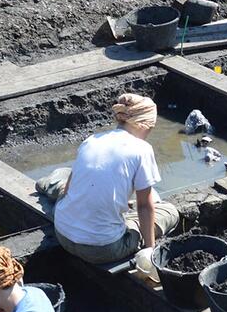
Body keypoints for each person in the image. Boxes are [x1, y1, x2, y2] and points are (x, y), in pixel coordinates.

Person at [53, 93, 181, 269]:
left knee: (68, 176)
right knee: (169, 212)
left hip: (62, 232)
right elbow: (144, 206)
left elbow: (68, 190)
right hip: (102, 249)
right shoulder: (142, 149)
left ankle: (50, 182)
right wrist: (150, 249)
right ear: (145, 125)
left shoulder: (91, 140)